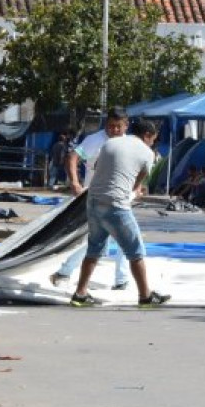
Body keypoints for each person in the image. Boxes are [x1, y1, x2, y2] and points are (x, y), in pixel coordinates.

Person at [69, 120, 170, 308]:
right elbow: (137, 184)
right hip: (115, 205)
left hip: (93, 200)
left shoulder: (110, 143)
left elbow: (98, 166)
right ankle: (145, 296)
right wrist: (135, 191)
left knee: (94, 248)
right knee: (135, 250)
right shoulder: (147, 153)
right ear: (148, 135)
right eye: (153, 139)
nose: (153, 143)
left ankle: (80, 293)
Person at [50, 108, 133, 290]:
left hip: (120, 197)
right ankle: (65, 271)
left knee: (123, 239)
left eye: (118, 127)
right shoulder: (94, 140)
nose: (114, 130)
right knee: (95, 239)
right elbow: (72, 158)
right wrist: (75, 182)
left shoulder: (129, 144)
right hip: (96, 197)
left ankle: (121, 280)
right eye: (111, 126)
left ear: (126, 126)